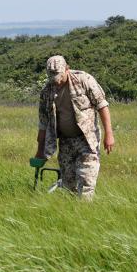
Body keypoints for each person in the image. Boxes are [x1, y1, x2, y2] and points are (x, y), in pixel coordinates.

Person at [35, 55, 114, 200]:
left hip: (87, 139)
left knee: (86, 182)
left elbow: (102, 105)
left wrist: (109, 134)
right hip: (65, 142)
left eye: (58, 76)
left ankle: (85, 215)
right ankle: (71, 216)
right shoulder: (47, 92)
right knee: (68, 185)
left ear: (67, 69)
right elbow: (43, 122)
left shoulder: (84, 80)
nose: (55, 81)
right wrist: (40, 151)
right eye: (51, 77)